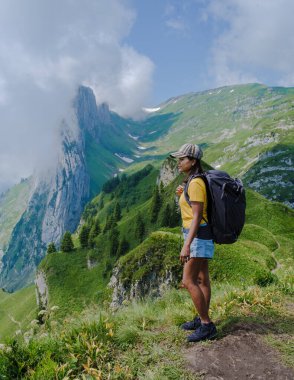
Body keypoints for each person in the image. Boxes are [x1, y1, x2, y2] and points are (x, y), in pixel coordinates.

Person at [170, 143, 217, 342]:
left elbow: (197, 217)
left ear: (193, 161)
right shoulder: (193, 181)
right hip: (200, 234)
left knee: (188, 280)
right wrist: (183, 195)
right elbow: (193, 209)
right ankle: (201, 319)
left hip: (196, 235)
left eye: (182, 159)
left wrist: (187, 244)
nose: (179, 162)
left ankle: (207, 325)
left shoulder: (196, 183)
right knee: (201, 279)